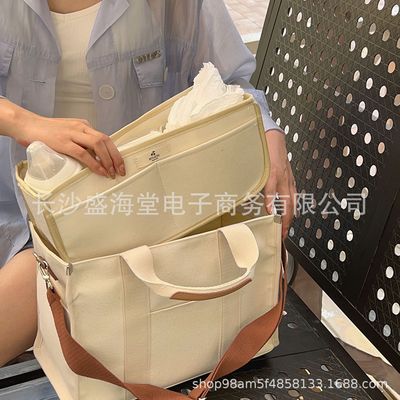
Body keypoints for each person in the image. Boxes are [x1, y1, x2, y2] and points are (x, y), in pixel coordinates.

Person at [0, 0, 296, 366]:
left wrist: (268, 134)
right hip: (29, 219)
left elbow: (230, 82)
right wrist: (24, 122)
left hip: (141, 225)